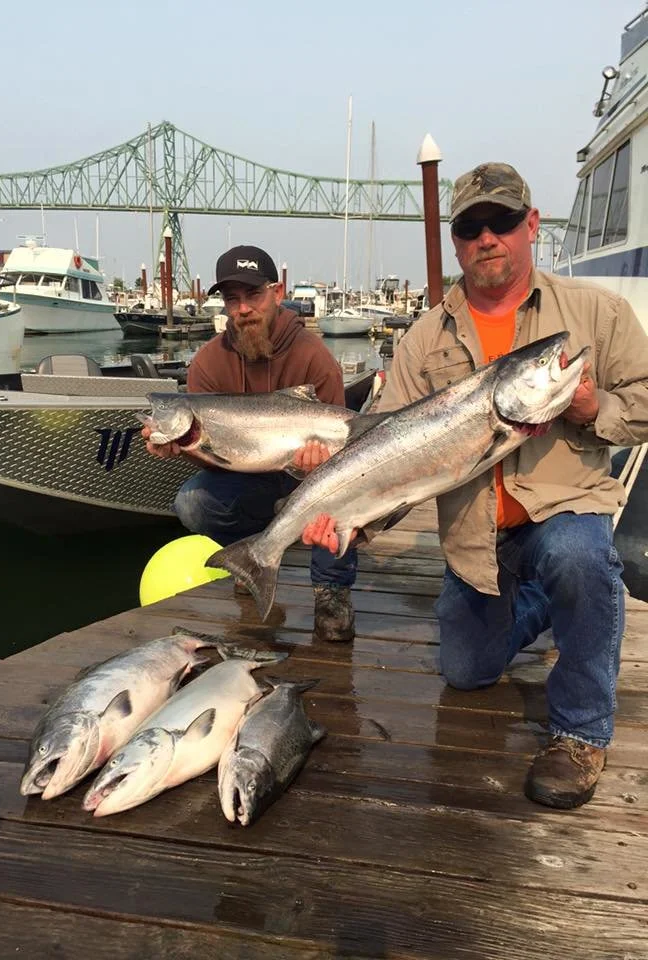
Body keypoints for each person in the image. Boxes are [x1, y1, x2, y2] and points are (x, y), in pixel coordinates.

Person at [303, 162, 648, 809]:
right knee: (466, 671)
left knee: (578, 558)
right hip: (475, 540)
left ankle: (578, 731)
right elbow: (388, 458)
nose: (487, 237)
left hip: (564, 512)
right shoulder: (424, 339)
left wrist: (590, 407)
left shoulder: (595, 313)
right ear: (457, 240)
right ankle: (554, 609)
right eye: (471, 226)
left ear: (532, 226)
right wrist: (348, 520)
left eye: (503, 222)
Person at [142, 244, 357, 644]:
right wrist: (184, 448)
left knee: (340, 490)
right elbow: (216, 463)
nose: (242, 309)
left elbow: (346, 460)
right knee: (191, 501)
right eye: (232, 299)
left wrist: (319, 463)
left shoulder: (314, 357)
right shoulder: (207, 363)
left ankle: (333, 590)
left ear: (277, 294)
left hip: (314, 477)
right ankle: (250, 560)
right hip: (252, 479)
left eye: (253, 295)